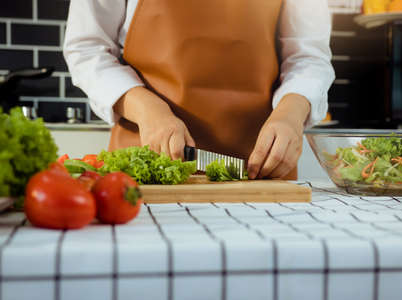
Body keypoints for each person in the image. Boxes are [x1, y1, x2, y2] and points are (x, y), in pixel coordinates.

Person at [64, 0, 335, 180]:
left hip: (261, 167)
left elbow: (308, 57)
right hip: (150, 161)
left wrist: (291, 113)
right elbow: (87, 49)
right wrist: (149, 111)